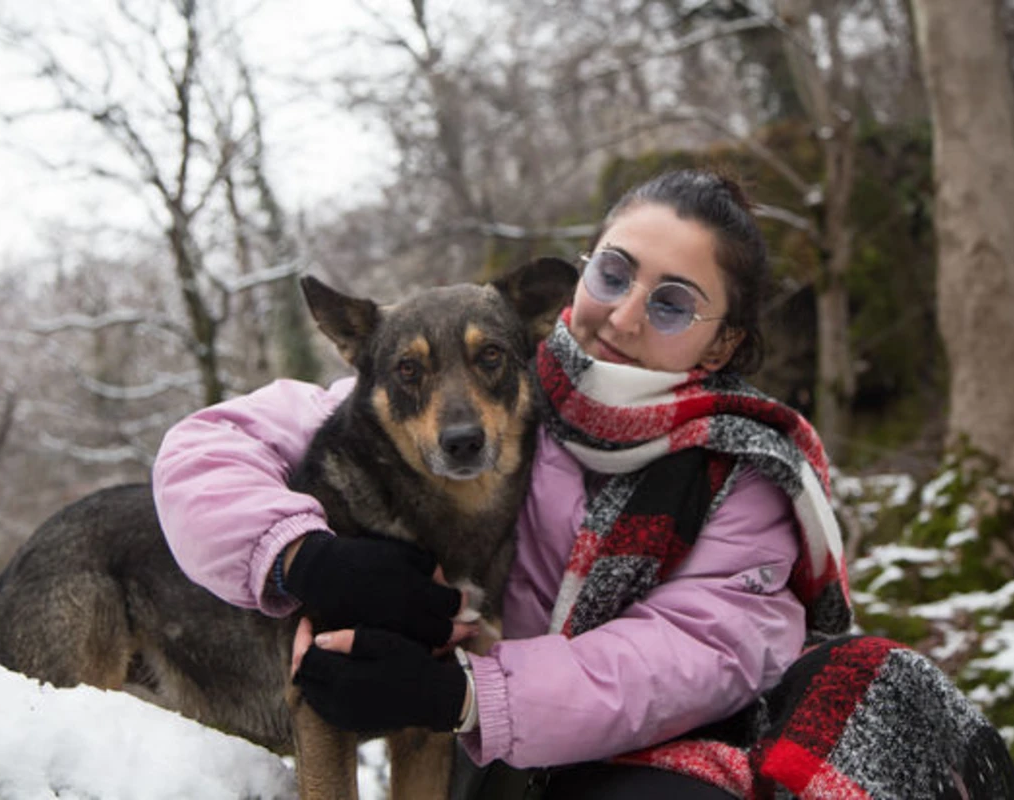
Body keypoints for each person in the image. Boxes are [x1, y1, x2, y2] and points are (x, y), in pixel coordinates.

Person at [151, 169, 852, 799]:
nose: (625, 314)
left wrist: (465, 695)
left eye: (671, 305)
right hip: (492, 766)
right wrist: (300, 554)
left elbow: (681, 664)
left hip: (660, 766)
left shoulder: (746, 478)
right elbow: (205, 450)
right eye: (615, 274)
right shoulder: (508, 387)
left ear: (724, 341)